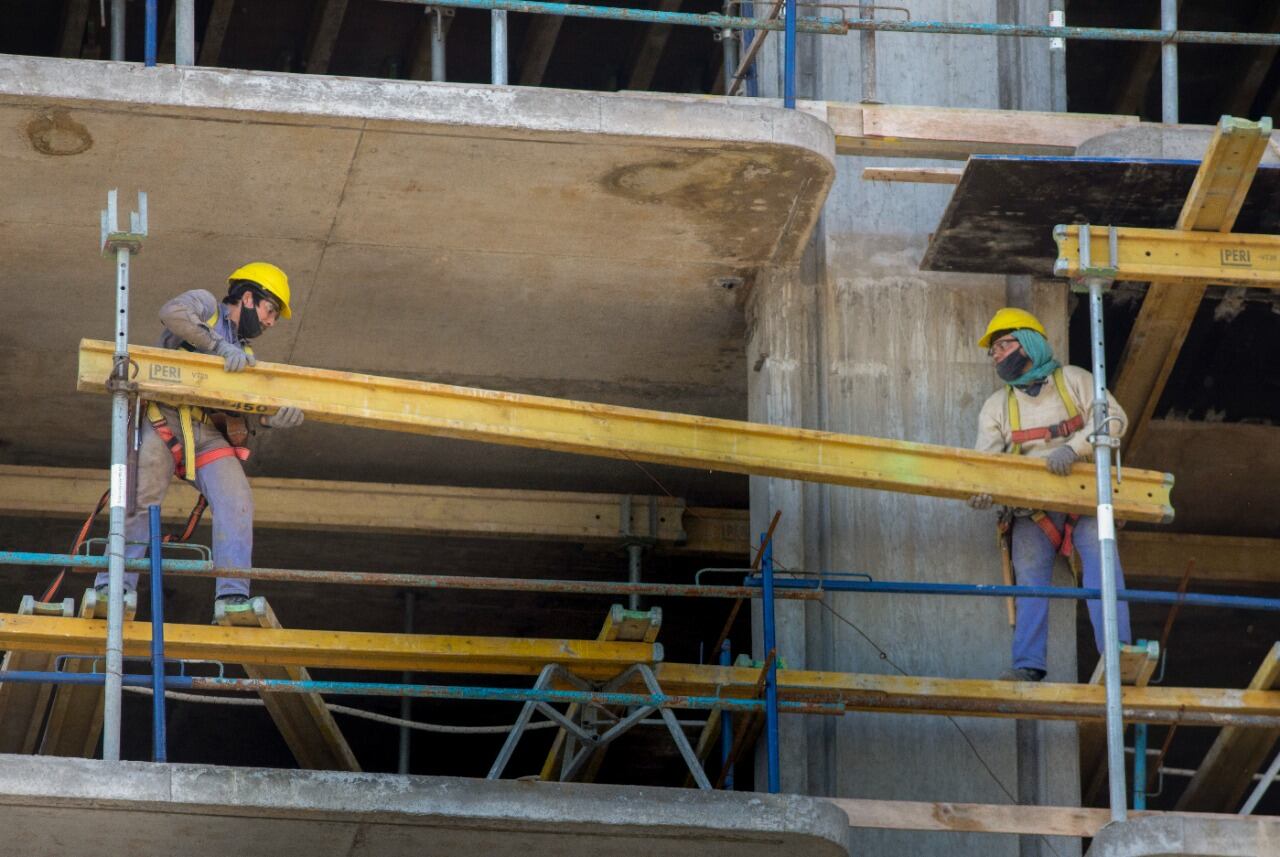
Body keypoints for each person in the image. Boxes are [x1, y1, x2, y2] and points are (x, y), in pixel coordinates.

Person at [93, 262, 304, 613]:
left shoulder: (246, 354)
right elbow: (172, 312)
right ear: (248, 298)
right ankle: (113, 588)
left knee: (238, 503)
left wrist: (271, 420)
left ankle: (232, 595)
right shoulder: (206, 307)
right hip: (164, 421)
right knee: (139, 499)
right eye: (270, 311)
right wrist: (219, 348)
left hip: (206, 433)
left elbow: (248, 408)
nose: (269, 322)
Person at [968, 307, 1132, 682]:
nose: (996, 354)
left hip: (1085, 501)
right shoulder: (997, 406)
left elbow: (1114, 419)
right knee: (1029, 581)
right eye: (992, 350)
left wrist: (1073, 449)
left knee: (1103, 569)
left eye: (1002, 345)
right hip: (1032, 510)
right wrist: (980, 491)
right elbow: (984, 462)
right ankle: (1028, 664)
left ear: (1028, 343)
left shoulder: (1074, 380)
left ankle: (1118, 654)